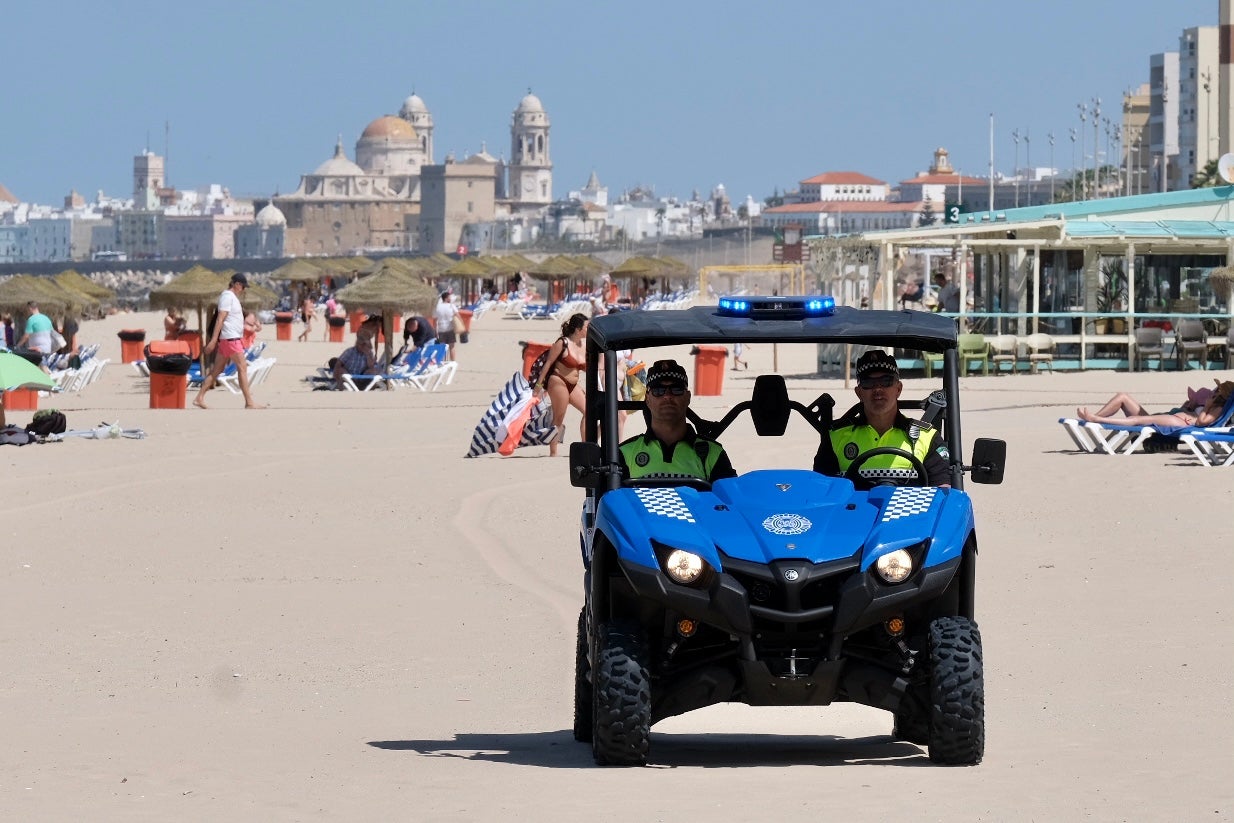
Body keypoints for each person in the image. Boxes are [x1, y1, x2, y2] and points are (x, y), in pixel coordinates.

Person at [814, 350, 950, 489]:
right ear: (859, 392)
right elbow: (820, 492)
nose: (878, 389)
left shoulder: (927, 437)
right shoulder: (835, 437)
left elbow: (943, 495)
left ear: (898, 389)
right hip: (853, 510)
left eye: (886, 381)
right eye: (868, 383)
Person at [617, 359, 737, 483]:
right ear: (647, 399)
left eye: (676, 389)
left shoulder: (712, 454)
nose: (667, 396)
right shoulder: (625, 453)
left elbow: (730, 499)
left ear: (688, 397)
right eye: (658, 390)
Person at [194, 273, 264, 409]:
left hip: (228, 339)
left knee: (217, 370)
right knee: (242, 368)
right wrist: (213, 340)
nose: (244, 289)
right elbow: (221, 319)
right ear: (237, 284)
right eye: (243, 286)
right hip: (231, 339)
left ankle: (199, 397)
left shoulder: (231, 298)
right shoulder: (227, 297)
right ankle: (249, 402)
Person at [532, 313, 589, 457]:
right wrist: (538, 386)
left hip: (573, 384)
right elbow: (548, 363)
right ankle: (553, 453)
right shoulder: (562, 343)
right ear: (578, 329)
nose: (589, 330)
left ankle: (586, 447)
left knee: (589, 412)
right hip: (558, 381)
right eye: (587, 327)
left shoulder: (584, 345)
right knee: (559, 418)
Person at [1077, 381, 1231, 428]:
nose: (1215, 391)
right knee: (1122, 396)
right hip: (1174, 416)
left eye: (1218, 390)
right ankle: (1094, 416)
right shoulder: (1212, 404)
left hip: (1181, 422)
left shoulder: (1217, 408)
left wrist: (1207, 406)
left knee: (1139, 421)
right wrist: (1189, 405)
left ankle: (1098, 420)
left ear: (1222, 395)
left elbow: (1201, 422)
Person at [433, 291, 460, 361]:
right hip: (450, 328)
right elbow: (458, 315)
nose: (450, 298)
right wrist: (461, 325)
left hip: (441, 329)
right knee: (452, 347)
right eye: (449, 297)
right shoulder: (451, 306)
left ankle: (443, 361)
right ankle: (452, 362)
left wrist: (435, 331)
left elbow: (435, 321)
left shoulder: (437, 307)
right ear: (446, 298)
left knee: (442, 347)